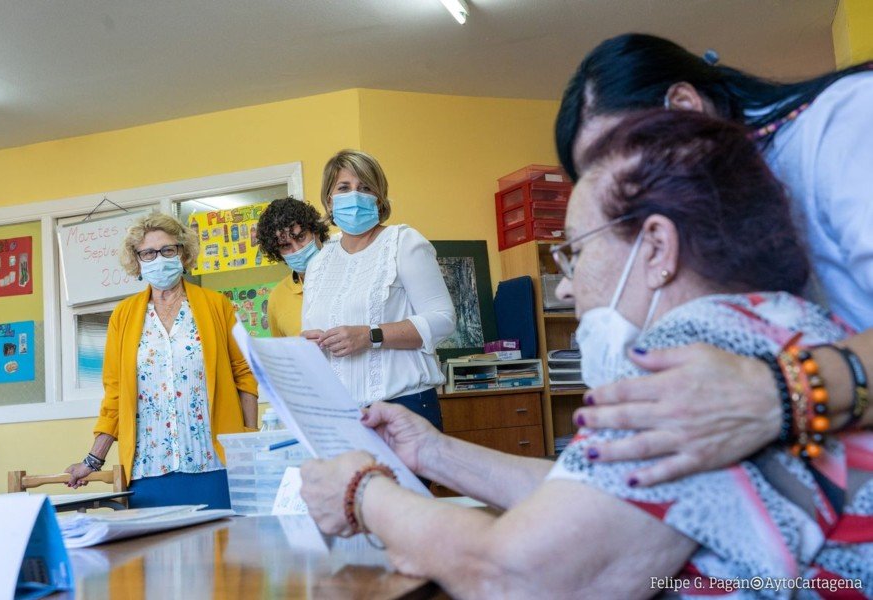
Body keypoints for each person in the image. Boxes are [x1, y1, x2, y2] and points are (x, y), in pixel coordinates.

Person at [300, 112, 873, 596]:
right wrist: (433, 452)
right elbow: (595, 495)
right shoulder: (772, 322)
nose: (566, 287)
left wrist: (361, 493)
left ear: (656, 248)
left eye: (574, 255)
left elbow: (514, 571)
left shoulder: (690, 358)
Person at [554, 33, 873, 485]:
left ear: (684, 105)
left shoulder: (848, 123)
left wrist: (774, 393)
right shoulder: (723, 229)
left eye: (625, 151)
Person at [65, 212, 259, 509]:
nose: (159, 258)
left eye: (168, 250)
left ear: (183, 254)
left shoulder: (216, 305)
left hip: (215, 461)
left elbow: (244, 375)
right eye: (148, 253)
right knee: (155, 554)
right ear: (137, 261)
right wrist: (93, 460)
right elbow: (115, 394)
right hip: (148, 468)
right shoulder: (124, 316)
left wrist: (248, 441)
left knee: (223, 553)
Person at [300, 149, 455, 430]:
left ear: (379, 198)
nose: (356, 195)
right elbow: (312, 333)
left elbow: (443, 319)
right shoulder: (319, 263)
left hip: (403, 405)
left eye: (366, 187)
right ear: (329, 200)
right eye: (344, 188)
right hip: (341, 414)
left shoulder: (403, 242)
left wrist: (370, 335)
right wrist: (309, 346)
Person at [256, 196, 330, 338]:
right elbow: (284, 355)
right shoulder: (277, 299)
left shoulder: (350, 271)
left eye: (301, 237)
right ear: (277, 252)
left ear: (316, 232)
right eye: (286, 245)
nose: (297, 250)